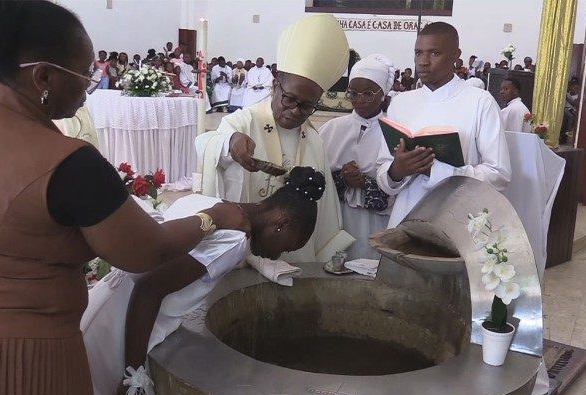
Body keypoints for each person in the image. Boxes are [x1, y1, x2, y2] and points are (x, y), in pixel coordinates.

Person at [0, 1, 246, 395]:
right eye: (83, 73)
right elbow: (147, 251)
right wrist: (212, 218)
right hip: (32, 356)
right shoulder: (68, 162)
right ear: (44, 77)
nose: (88, 86)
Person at [83, 167, 326, 395]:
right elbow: (149, 289)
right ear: (282, 223)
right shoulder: (235, 241)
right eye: (286, 247)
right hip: (125, 332)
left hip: (109, 306)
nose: (277, 256)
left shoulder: (215, 204)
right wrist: (133, 377)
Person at [195, 14, 355, 262]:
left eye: (306, 106)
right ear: (276, 84)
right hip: (244, 254)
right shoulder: (244, 122)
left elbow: (325, 212)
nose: (294, 111)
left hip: (294, 256)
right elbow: (204, 145)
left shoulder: (313, 139)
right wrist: (229, 143)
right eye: (289, 99)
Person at [376, 22, 511, 228]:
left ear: (456, 56)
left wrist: (436, 171)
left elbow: (498, 174)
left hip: (459, 219)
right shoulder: (401, 103)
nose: (423, 62)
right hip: (406, 215)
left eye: (434, 53)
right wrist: (397, 170)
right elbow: (383, 171)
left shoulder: (479, 102)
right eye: (418, 53)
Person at [319, 54, 396, 259]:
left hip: (377, 220)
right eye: (353, 94)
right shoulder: (331, 129)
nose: (359, 100)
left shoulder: (394, 132)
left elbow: (401, 184)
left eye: (368, 93)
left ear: (383, 94)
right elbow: (317, 176)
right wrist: (341, 178)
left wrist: (365, 183)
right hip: (337, 217)